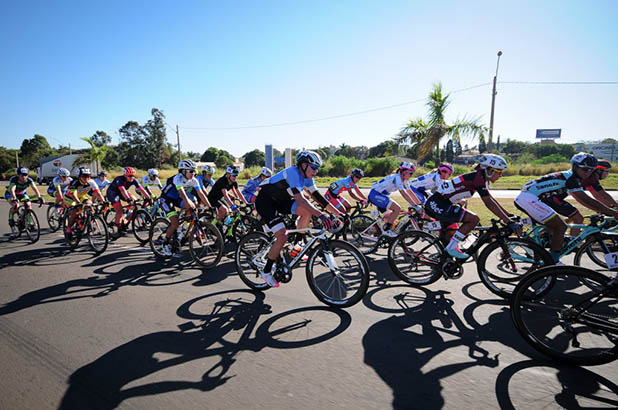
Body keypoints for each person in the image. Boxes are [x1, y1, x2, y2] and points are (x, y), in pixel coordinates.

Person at [254, 150, 342, 287]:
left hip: (281, 201)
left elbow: (318, 198)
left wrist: (338, 214)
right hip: (266, 202)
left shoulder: (308, 178)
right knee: (282, 236)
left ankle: (297, 245)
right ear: (303, 165)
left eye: (317, 168)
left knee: (307, 212)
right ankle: (266, 271)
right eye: (314, 167)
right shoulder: (293, 173)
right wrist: (320, 214)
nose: (316, 171)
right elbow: (300, 199)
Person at [514, 152, 618, 264]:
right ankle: (552, 261)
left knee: (559, 224)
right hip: (529, 198)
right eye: (585, 169)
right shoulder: (571, 179)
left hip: (538, 197)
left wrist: (607, 210)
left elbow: (588, 200)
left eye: (591, 170)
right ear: (575, 167)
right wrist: (612, 212)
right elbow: (586, 199)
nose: (587, 173)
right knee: (560, 226)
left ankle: (546, 249)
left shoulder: (574, 177)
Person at [425, 154, 521, 259]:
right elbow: (488, 203)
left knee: (452, 232)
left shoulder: (479, 177)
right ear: (490, 170)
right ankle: (451, 248)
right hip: (438, 203)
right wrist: (508, 221)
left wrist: (508, 216)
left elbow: (491, 199)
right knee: (473, 219)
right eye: (499, 172)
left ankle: (445, 257)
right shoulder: (478, 178)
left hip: (443, 203)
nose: (501, 175)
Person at [159, 160, 212, 256]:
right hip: (166, 199)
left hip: (176, 199)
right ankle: (165, 243)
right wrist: (188, 202)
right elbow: (182, 193)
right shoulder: (177, 178)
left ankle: (182, 230)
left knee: (193, 206)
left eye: (194, 171)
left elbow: (201, 194)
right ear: (183, 171)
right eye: (191, 171)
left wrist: (210, 206)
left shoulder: (194, 180)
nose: (193, 173)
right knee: (174, 223)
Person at [367, 162, 419, 237]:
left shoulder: (404, 180)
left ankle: (376, 231)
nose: (411, 175)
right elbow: (404, 194)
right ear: (404, 172)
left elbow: (410, 192)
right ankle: (386, 231)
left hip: (381, 196)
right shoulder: (397, 178)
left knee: (390, 218)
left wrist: (419, 204)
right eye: (411, 173)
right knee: (397, 208)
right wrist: (415, 205)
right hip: (375, 194)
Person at [106, 166, 151, 236]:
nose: (132, 177)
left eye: (133, 176)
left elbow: (141, 189)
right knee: (119, 210)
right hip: (113, 193)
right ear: (125, 175)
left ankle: (126, 216)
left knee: (135, 201)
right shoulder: (119, 179)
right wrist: (129, 200)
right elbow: (122, 190)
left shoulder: (134, 180)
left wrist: (149, 198)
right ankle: (119, 227)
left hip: (122, 192)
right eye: (129, 176)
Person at [64, 168, 106, 235]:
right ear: (79, 176)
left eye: (88, 176)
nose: (86, 178)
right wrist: (78, 203)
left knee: (90, 206)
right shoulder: (75, 182)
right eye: (84, 176)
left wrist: (103, 201)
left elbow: (97, 193)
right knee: (74, 212)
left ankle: (88, 221)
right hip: (70, 197)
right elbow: (73, 194)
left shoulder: (91, 182)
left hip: (80, 196)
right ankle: (68, 228)